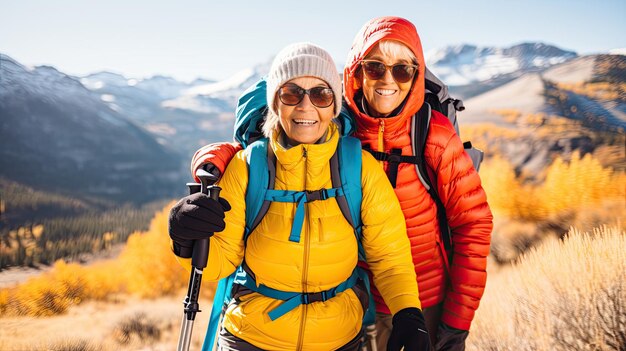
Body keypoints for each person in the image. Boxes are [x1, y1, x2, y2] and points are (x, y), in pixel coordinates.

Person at [189, 17, 493, 351]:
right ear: (356, 74)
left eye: (403, 70)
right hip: (340, 310)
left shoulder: (425, 139)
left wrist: (449, 322)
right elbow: (269, 147)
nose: (388, 80)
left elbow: (469, 226)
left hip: (419, 298)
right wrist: (211, 168)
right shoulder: (289, 146)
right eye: (375, 67)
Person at [169, 42, 432, 351]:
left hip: (338, 340)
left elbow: (390, 258)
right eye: (291, 93)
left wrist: (408, 314)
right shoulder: (248, 167)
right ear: (275, 104)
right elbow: (218, 265)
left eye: (321, 94)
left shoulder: (359, 169)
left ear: (334, 106)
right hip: (251, 339)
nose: (306, 107)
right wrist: (185, 239)